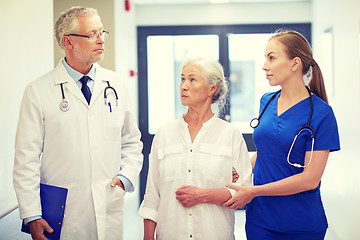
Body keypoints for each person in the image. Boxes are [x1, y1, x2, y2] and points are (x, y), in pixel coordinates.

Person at [13, 6, 143, 240]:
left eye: (102, 32)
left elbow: (132, 141)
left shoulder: (116, 84)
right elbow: (26, 159)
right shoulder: (38, 91)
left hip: (108, 203)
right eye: (92, 34)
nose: (101, 40)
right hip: (62, 212)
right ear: (68, 42)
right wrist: (31, 214)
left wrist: (125, 178)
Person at [223, 30, 340, 239]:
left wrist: (254, 191)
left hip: (301, 222)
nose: (264, 66)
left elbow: (310, 179)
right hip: (261, 219)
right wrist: (242, 170)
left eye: (271, 58)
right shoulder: (266, 101)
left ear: (295, 63)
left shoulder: (322, 114)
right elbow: (269, 150)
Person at [138, 57, 253, 240]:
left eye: (192, 80)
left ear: (211, 88)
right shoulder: (164, 134)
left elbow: (244, 191)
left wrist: (203, 195)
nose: (184, 86)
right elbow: (152, 196)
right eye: (182, 79)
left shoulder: (230, 134)